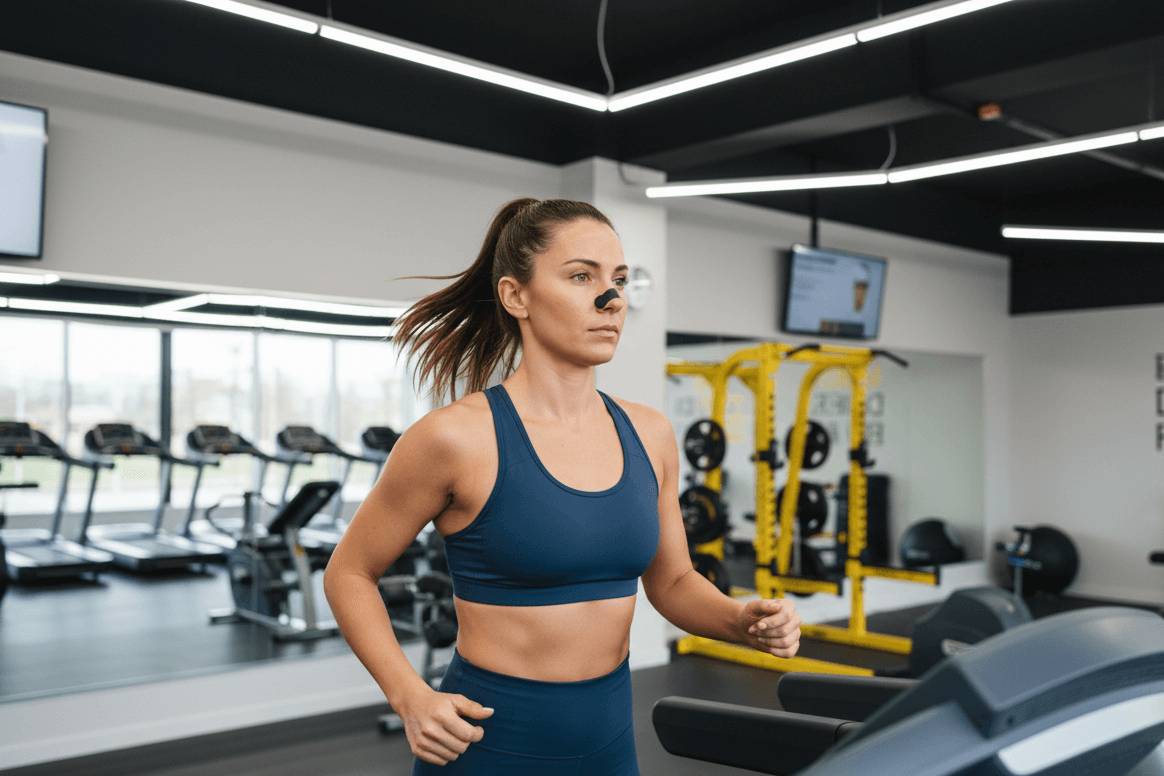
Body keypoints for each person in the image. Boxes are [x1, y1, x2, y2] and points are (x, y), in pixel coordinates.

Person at [323, 198, 801, 774]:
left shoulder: (649, 433)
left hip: (609, 742)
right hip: (489, 744)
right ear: (515, 296)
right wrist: (410, 696)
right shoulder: (456, 439)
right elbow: (349, 573)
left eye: (618, 280)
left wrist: (738, 619)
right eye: (581, 276)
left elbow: (673, 580)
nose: (612, 300)